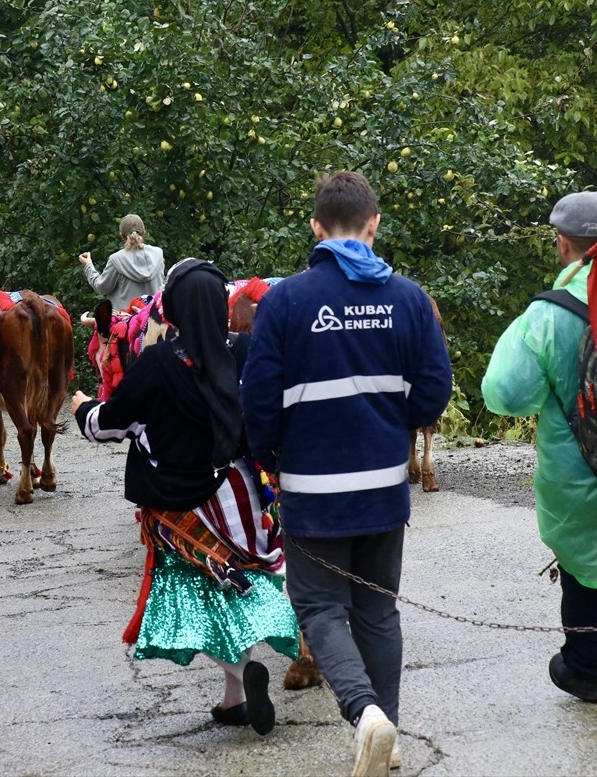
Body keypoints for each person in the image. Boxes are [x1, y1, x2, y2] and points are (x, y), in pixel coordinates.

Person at [239, 171, 452, 777]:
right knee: (379, 609)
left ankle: (366, 719)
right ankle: (387, 731)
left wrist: (273, 462)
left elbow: (257, 401)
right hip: (385, 486)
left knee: (319, 607)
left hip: (313, 488)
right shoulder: (409, 299)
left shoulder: (285, 301)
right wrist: (392, 429)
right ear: (374, 223)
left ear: (315, 227)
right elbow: (434, 390)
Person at [72, 257, 300, 736]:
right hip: (241, 494)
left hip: (182, 503)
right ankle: (235, 698)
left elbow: (113, 424)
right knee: (248, 582)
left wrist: (83, 410)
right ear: (222, 306)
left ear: (170, 308)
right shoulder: (245, 349)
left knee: (194, 596)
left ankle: (241, 674)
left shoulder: (156, 362)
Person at [482, 191, 597, 703]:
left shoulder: (548, 314)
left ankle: (586, 669)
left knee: (579, 560)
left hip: (577, 474)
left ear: (563, 243)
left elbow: (504, 394)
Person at [78, 214, 166, 311]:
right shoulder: (158, 253)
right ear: (144, 233)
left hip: (126, 322)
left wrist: (88, 266)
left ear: (122, 235)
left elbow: (102, 287)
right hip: (155, 321)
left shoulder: (116, 259)